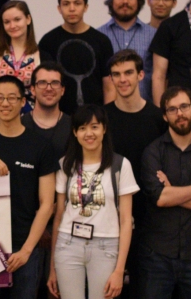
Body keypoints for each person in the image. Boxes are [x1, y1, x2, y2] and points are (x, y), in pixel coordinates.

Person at [0, 76, 55, 299]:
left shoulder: (41, 145)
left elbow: (47, 203)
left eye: (11, 98)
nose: (5, 103)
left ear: (23, 102)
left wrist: (26, 250)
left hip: (25, 245)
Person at [138, 86, 191, 298]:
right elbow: (159, 198)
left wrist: (171, 192)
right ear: (165, 117)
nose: (180, 113)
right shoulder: (152, 152)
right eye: (172, 109)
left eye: (184, 106)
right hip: (156, 255)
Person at [47, 104, 135, 299]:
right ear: (75, 133)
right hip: (68, 244)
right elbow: (58, 216)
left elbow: (126, 221)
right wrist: (52, 267)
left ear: (104, 129)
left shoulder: (120, 165)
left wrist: (120, 270)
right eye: (82, 128)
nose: (89, 133)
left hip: (106, 245)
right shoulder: (65, 165)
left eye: (94, 126)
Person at [102, 49, 165, 298]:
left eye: (128, 72)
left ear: (141, 75)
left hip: (151, 219)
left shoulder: (158, 118)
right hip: (108, 216)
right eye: (116, 74)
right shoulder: (102, 118)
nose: (122, 79)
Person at [38, 0, 115, 115]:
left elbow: (109, 87)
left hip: (95, 117)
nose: (72, 9)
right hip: (58, 119)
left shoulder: (102, 41)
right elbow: (42, 85)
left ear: (86, 7)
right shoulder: (47, 41)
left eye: (77, 3)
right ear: (59, 8)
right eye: (66, 4)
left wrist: (107, 118)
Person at [0, 0, 40, 129]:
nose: (12, 25)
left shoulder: (42, 56)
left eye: (17, 19)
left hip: (34, 126)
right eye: (7, 22)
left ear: (28, 19)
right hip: (0, 126)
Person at [98, 0, 157, 101]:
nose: (125, 1)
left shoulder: (154, 35)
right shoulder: (98, 36)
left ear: (138, 1)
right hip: (109, 113)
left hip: (145, 112)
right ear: (111, 1)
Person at [20, 63, 72, 164]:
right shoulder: (19, 125)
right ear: (33, 90)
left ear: (62, 90)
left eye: (55, 83)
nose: (49, 88)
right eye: (42, 82)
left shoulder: (73, 127)